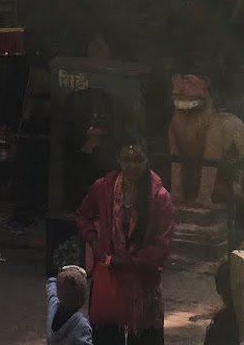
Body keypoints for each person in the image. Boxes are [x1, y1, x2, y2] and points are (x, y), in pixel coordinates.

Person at [75, 136, 174, 345]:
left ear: (147, 160)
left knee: (145, 339)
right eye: (127, 160)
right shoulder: (103, 188)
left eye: (138, 159)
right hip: (109, 277)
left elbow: (162, 246)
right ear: (118, 160)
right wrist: (95, 243)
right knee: (107, 336)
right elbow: (83, 215)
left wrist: (130, 262)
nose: (132, 165)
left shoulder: (160, 197)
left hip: (144, 282)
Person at [47, 264, 94, 345]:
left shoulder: (53, 307)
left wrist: (56, 277)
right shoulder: (81, 325)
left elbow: (51, 290)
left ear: (59, 294)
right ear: (82, 299)